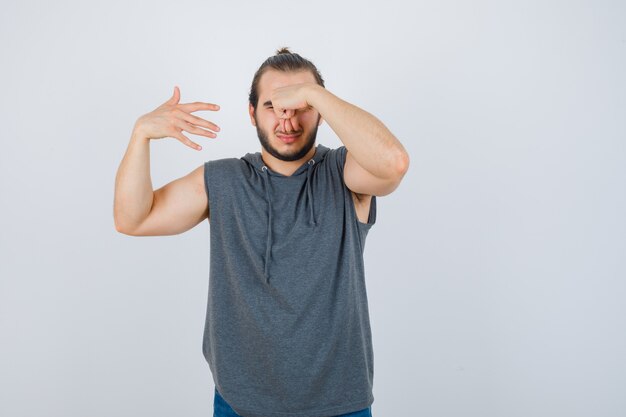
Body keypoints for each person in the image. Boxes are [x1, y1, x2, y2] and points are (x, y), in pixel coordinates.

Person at [113, 48, 409, 417]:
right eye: (272, 105)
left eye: (301, 104)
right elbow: (132, 219)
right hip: (241, 405)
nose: (288, 119)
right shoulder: (223, 180)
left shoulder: (345, 173)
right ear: (252, 113)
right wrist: (140, 135)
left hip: (340, 405)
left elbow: (393, 163)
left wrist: (314, 92)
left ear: (322, 112)